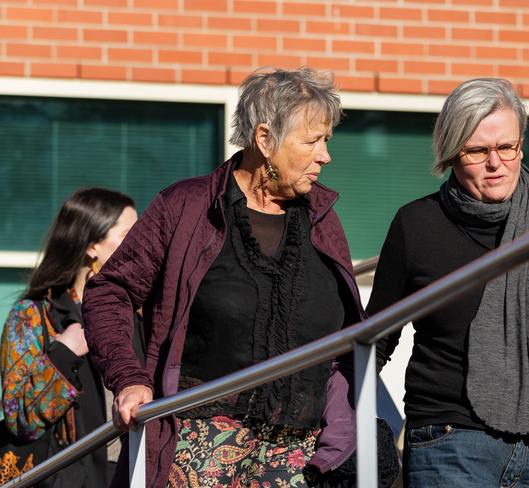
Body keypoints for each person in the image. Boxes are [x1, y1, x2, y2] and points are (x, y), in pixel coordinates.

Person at [82, 67, 372, 488]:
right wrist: (129, 379)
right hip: (197, 446)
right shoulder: (186, 207)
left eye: (325, 140)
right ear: (265, 139)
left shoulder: (323, 220)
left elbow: (347, 340)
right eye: (311, 141)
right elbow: (111, 290)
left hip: (300, 455)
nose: (325, 155)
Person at [366, 78, 529, 488]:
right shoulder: (417, 224)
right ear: (451, 153)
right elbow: (375, 340)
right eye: (477, 150)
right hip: (450, 441)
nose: (496, 163)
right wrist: (347, 425)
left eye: (507, 147)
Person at [0, 187, 138, 486]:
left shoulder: (142, 314)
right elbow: (19, 418)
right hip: (68, 478)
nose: (140, 244)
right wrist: (63, 353)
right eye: (128, 235)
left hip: (134, 472)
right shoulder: (33, 317)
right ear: (92, 246)